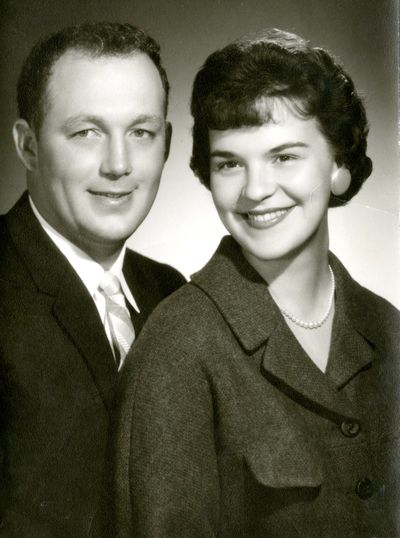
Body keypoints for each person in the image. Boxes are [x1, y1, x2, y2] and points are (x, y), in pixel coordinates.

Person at [110, 29, 400, 537]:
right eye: (229, 164)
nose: (256, 190)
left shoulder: (390, 331)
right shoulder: (178, 346)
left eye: (284, 156)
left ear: (338, 165)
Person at [0, 22, 185, 536]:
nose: (119, 165)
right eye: (87, 132)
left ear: (166, 144)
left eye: (141, 133)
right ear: (29, 146)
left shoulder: (172, 292)